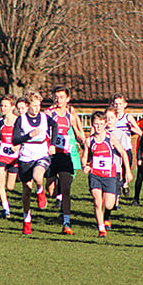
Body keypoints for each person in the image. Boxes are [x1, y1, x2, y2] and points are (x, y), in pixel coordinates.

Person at [11, 90, 57, 235]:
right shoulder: (21, 119)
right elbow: (15, 140)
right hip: (26, 156)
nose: (36, 108)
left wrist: (52, 144)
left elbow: (55, 126)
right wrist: (28, 135)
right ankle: (27, 219)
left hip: (41, 153)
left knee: (38, 177)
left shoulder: (44, 117)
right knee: (26, 192)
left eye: (39, 105)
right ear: (28, 105)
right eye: (34, 105)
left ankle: (40, 190)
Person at [83, 111, 132, 237]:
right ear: (92, 125)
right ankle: (101, 228)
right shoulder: (89, 141)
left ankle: (105, 217)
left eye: (101, 124)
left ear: (105, 124)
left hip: (110, 175)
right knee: (97, 201)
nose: (98, 127)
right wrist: (85, 166)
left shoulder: (111, 138)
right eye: (96, 124)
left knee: (109, 204)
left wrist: (128, 171)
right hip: (95, 175)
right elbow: (84, 157)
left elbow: (123, 153)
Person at [45, 86, 85, 233]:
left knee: (66, 189)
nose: (58, 99)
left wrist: (84, 142)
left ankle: (67, 223)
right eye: (56, 97)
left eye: (61, 97)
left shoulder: (71, 116)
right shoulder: (48, 114)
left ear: (67, 99)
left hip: (65, 154)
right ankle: (51, 183)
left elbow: (77, 131)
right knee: (51, 191)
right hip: (51, 154)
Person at [0, 95, 20, 219]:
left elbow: (24, 137)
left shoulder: (19, 121)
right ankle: (5, 208)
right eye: (1, 105)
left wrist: (18, 146)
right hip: (2, 153)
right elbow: (1, 135)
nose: (2, 108)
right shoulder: (1, 121)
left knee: (10, 186)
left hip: (14, 156)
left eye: (5, 106)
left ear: (12, 107)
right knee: (0, 181)